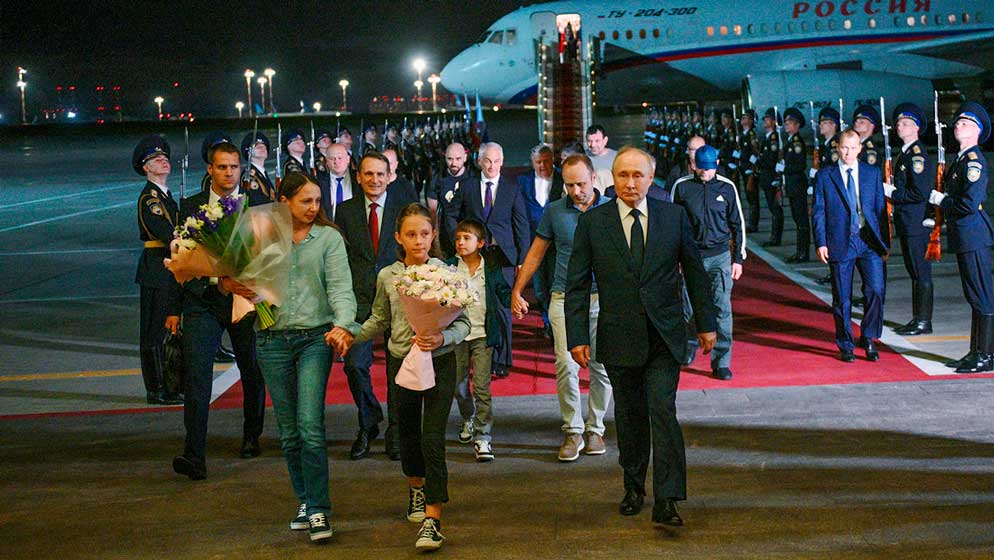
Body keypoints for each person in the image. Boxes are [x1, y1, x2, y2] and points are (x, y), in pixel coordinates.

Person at [566, 146, 716, 527]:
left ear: (652, 179)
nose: (630, 183)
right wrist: (577, 335)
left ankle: (668, 498)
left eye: (637, 176)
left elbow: (696, 272)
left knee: (663, 412)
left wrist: (705, 322)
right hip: (618, 336)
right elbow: (578, 284)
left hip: (665, 335)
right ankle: (633, 487)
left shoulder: (673, 217)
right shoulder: (593, 223)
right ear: (610, 179)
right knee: (630, 417)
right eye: (622, 176)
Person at [332, 204, 470, 551]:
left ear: (433, 235)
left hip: (439, 362)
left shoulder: (448, 273)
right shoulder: (388, 276)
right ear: (398, 237)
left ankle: (433, 519)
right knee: (407, 433)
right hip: (402, 362)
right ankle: (416, 490)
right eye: (411, 234)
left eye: (424, 233)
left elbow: (465, 323)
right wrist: (352, 334)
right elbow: (380, 318)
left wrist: (442, 338)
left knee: (433, 437)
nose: (419, 240)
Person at [250, 172, 359, 542]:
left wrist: (344, 325)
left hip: (315, 339)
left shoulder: (328, 239)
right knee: (289, 432)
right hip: (270, 341)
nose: (314, 208)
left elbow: (342, 288)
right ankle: (305, 498)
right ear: (284, 201)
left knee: (310, 425)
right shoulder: (262, 235)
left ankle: (319, 510)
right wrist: (230, 282)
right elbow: (239, 283)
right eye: (305, 201)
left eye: (317, 201)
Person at [172, 142, 267, 480]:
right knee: (197, 376)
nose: (229, 173)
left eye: (234, 167)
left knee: (252, 370)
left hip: (246, 302)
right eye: (222, 167)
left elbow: (273, 256)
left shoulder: (258, 205)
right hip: (204, 302)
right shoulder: (190, 207)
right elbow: (180, 261)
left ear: (241, 169)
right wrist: (217, 281)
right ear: (209, 170)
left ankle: (251, 435)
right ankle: (194, 454)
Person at [512, 154, 614, 461]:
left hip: (601, 297)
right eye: (569, 185)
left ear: (594, 178)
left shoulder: (611, 208)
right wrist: (518, 289)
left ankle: (595, 429)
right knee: (565, 365)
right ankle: (573, 430)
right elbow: (536, 253)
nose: (575, 191)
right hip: (563, 296)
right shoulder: (555, 211)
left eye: (581, 183)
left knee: (601, 366)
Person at [335, 152, 417, 460]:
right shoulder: (344, 211)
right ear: (358, 176)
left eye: (380, 174)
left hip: (398, 297)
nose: (374, 180)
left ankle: (396, 432)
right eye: (368, 174)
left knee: (399, 370)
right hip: (359, 300)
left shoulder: (402, 210)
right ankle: (368, 422)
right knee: (355, 365)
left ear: (389, 176)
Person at [812, 129, 889, 363]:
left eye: (853, 148)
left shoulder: (872, 173)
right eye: (844, 147)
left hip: (868, 241)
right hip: (840, 241)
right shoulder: (825, 176)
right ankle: (845, 343)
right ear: (838, 148)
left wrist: (884, 243)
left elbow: (879, 210)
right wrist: (821, 242)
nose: (848, 152)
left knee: (876, 290)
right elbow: (818, 211)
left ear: (860, 149)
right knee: (842, 298)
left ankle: (868, 336)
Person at [928, 102, 994, 373]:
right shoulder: (961, 160)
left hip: (973, 234)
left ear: (977, 131)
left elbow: (968, 203)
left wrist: (943, 201)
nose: (958, 125)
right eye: (957, 122)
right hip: (965, 234)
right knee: (974, 295)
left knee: (982, 295)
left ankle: (986, 356)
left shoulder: (974, 162)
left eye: (965, 123)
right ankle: (975, 352)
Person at [456, 142, 530, 379]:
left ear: (502, 162)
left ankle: (502, 359)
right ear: (479, 161)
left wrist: (522, 259)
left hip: (503, 255)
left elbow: (521, 223)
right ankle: (478, 357)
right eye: (488, 161)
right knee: (475, 306)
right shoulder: (467, 187)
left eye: (497, 161)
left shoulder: (511, 187)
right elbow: (456, 218)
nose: (492, 166)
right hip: (474, 256)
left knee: (501, 309)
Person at [671, 145, 745, 380]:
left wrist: (738, 259)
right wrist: (674, 259)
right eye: (701, 169)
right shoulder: (682, 187)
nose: (706, 173)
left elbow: (738, 224)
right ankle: (685, 349)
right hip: (690, 258)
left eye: (710, 169)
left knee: (722, 309)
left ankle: (721, 361)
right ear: (693, 165)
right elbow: (672, 225)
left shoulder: (727, 187)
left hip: (720, 256)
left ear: (716, 164)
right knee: (685, 308)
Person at [447, 218, 511, 461]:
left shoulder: (490, 267)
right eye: (458, 238)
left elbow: (502, 291)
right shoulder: (450, 267)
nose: (461, 243)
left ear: (481, 243)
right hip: (458, 335)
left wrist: (514, 300)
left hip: (483, 333)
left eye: (467, 238)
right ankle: (468, 418)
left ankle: (483, 437)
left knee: (482, 387)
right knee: (459, 384)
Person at [133, 135, 183, 405]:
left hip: (171, 267)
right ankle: (156, 388)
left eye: (164, 158)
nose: (163, 161)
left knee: (170, 330)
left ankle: (171, 384)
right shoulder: (150, 198)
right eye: (156, 159)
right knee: (154, 333)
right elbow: (165, 231)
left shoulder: (166, 195)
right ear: (146, 168)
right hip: (157, 268)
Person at [883, 103, 934, 336]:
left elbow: (918, 193)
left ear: (916, 128)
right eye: (898, 123)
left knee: (920, 272)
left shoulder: (917, 155)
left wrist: (892, 193)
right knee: (914, 271)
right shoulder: (904, 153)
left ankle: (923, 321)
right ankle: (918, 318)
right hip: (907, 221)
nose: (899, 126)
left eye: (905, 123)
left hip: (915, 222)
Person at [518, 144, 564, 336]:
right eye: (538, 162)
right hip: (533, 244)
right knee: (540, 288)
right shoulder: (523, 182)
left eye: (546, 161)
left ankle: (554, 324)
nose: (543, 166)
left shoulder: (563, 178)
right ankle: (547, 320)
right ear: (533, 163)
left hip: (558, 243)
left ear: (552, 159)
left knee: (556, 284)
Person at [427, 142, 474, 258]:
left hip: (471, 232)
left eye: (458, 159)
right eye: (450, 159)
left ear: (465, 158)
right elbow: (432, 213)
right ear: (445, 157)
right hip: (446, 236)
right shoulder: (437, 180)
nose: (454, 163)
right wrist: (434, 239)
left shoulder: (473, 177)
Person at [814, 107, 842, 286]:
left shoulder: (835, 146)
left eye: (824, 123)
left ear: (833, 125)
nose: (820, 126)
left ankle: (836, 274)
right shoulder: (827, 145)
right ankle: (833, 273)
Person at [782, 108, 810, 262]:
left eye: (789, 122)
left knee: (801, 220)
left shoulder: (797, 142)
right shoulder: (790, 141)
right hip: (792, 185)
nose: (786, 124)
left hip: (798, 185)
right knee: (797, 219)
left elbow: (800, 165)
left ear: (797, 125)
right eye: (786, 122)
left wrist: (784, 168)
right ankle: (800, 251)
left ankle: (803, 253)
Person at [758, 108, 784, 247]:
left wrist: (759, 160)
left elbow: (770, 160)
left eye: (767, 119)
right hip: (766, 177)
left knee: (775, 208)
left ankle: (776, 238)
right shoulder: (767, 137)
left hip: (771, 177)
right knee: (772, 207)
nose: (765, 121)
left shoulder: (774, 138)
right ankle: (774, 236)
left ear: (774, 122)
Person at [738, 109, 761, 233]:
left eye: (746, 118)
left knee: (753, 198)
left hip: (749, 170)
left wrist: (751, 168)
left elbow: (755, 151)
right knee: (749, 197)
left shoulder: (751, 134)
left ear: (751, 121)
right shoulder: (743, 134)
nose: (743, 120)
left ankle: (753, 224)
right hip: (744, 168)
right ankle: (752, 223)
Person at [240, 131, 277, 205]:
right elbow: (256, 202)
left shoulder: (262, 173)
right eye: (257, 146)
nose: (262, 148)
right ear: (248, 152)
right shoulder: (249, 175)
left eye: (264, 146)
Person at [322, 143, 357, 221]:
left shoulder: (358, 178)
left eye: (340, 158)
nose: (336, 162)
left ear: (348, 159)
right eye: (332, 158)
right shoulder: (320, 182)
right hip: (329, 227)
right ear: (326, 162)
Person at [586, 124, 617, 194]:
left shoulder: (617, 158)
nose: (593, 145)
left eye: (597, 141)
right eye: (589, 141)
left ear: (605, 140)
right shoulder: (583, 157)